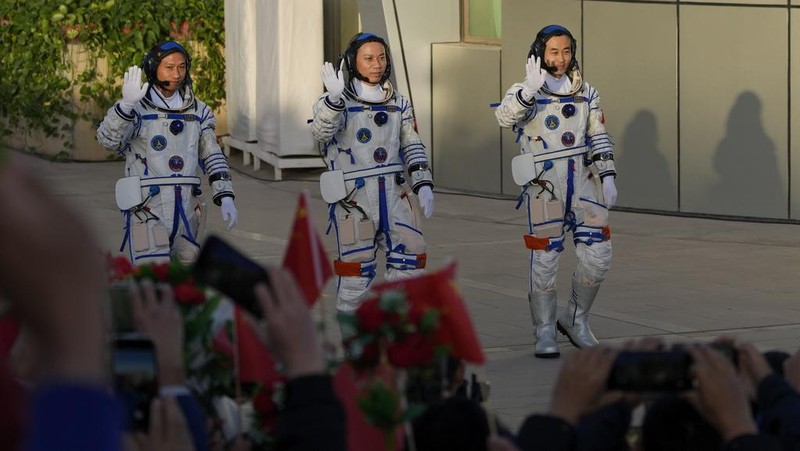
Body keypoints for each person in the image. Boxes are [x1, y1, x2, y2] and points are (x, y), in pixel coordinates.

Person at [494, 25, 617, 358]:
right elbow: (504, 118)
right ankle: (544, 329)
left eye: (566, 51)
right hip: (545, 183)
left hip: (584, 179)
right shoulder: (526, 90)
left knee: (599, 255)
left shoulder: (586, 92)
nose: (560, 59)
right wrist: (527, 92)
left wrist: (607, 174)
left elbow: (598, 133)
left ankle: (576, 319)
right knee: (545, 257)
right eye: (553, 52)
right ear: (540, 52)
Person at [310, 32, 435, 313]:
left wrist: (423, 182)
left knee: (409, 267)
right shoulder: (336, 101)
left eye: (381, 57)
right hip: (356, 200)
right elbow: (319, 132)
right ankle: (354, 349)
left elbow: (412, 143)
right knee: (356, 273)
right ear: (353, 63)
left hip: (395, 195)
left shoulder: (399, 102)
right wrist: (332, 100)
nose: (376, 64)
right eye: (368, 58)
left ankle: (396, 339)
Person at [97, 41, 238, 266]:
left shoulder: (198, 111)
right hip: (148, 208)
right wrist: (125, 106)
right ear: (154, 68)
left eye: (182, 67)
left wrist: (226, 195)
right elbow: (108, 140)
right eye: (169, 67)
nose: (177, 74)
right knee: (153, 277)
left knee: (186, 279)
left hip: (187, 209)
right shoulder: (137, 109)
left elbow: (211, 153)